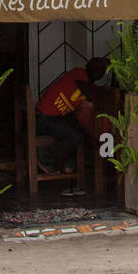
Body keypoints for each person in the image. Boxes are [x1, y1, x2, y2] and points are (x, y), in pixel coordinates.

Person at [35, 57, 110, 193]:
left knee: (82, 132)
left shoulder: (88, 85)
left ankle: (69, 166)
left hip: (52, 117)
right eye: (96, 67)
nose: (98, 71)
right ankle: (46, 159)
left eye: (101, 70)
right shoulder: (79, 74)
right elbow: (90, 93)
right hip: (43, 118)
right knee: (76, 137)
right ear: (88, 66)